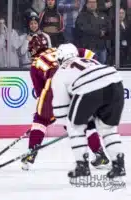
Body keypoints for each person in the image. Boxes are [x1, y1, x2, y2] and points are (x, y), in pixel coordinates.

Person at [22, 38, 109, 170]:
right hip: (76, 83)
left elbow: (41, 92)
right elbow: (89, 54)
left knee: (40, 119)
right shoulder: (62, 50)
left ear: (34, 49)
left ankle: (31, 153)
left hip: (55, 83)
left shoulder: (35, 64)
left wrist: (48, 115)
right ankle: (99, 153)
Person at [52, 43, 125, 179]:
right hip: (115, 81)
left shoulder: (60, 73)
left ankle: (82, 166)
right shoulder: (91, 61)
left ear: (60, 58)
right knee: (108, 129)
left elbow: (61, 110)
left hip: (88, 86)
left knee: (74, 126)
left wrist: (71, 126)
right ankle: (119, 165)